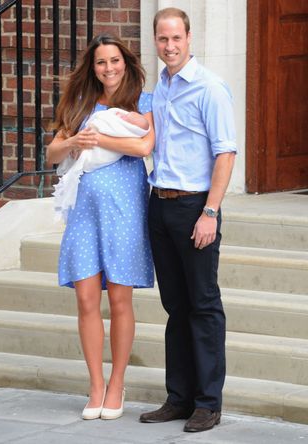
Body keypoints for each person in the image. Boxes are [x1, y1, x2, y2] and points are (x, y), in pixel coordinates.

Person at [46, 33, 155, 421]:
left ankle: (116, 383)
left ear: (126, 63)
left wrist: (101, 138)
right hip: (84, 213)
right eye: (101, 62)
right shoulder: (79, 104)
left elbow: (144, 147)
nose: (108, 68)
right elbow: (53, 151)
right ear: (92, 68)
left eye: (114, 60)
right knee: (87, 299)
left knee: (120, 300)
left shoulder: (143, 101)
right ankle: (95, 384)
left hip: (124, 211)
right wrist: (75, 139)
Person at [139, 8, 237, 433]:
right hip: (159, 206)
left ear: (190, 38)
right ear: (156, 41)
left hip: (196, 207)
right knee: (175, 306)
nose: (169, 46)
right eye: (162, 39)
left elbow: (226, 153)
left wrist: (210, 212)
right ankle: (178, 397)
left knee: (203, 305)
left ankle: (207, 403)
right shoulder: (158, 86)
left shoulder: (210, 88)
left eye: (176, 38)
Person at [53, 108, 150, 222]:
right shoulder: (83, 102)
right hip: (84, 203)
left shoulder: (144, 102)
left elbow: (143, 148)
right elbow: (52, 156)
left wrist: (93, 137)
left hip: (124, 202)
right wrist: (71, 142)